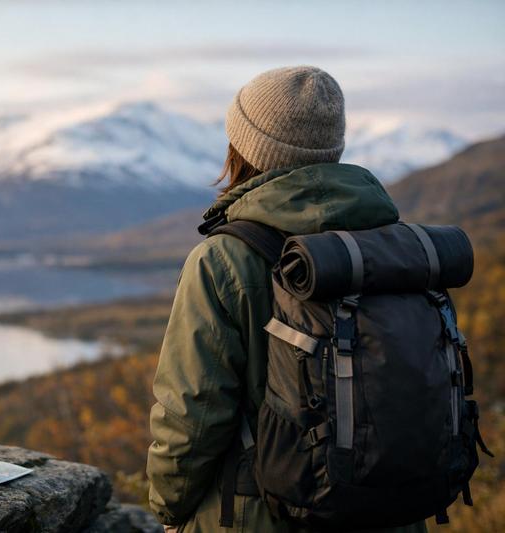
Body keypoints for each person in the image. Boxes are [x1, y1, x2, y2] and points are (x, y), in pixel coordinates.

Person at [146, 66, 427, 532]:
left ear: (244, 148)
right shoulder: (391, 246)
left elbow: (192, 413)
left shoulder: (225, 258)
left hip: (268, 513)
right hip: (390, 510)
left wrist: (169, 510)